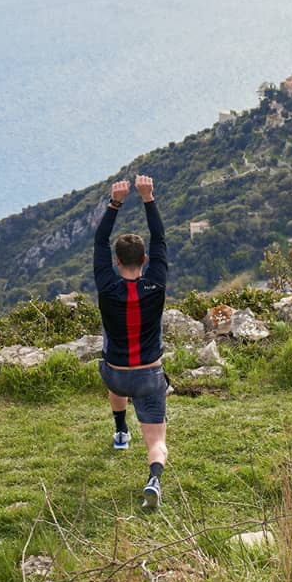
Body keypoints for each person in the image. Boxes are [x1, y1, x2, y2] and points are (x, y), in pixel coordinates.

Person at [94, 174, 170, 510]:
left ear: (115, 263)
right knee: (156, 441)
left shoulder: (106, 286)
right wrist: (148, 197)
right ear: (145, 261)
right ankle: (153, 479)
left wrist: (115, 202)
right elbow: (160, 237)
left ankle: (120, 431)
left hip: (116, 374)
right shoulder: (156, 283)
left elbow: (99, 241)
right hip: (150, 376)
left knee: (111, 357)